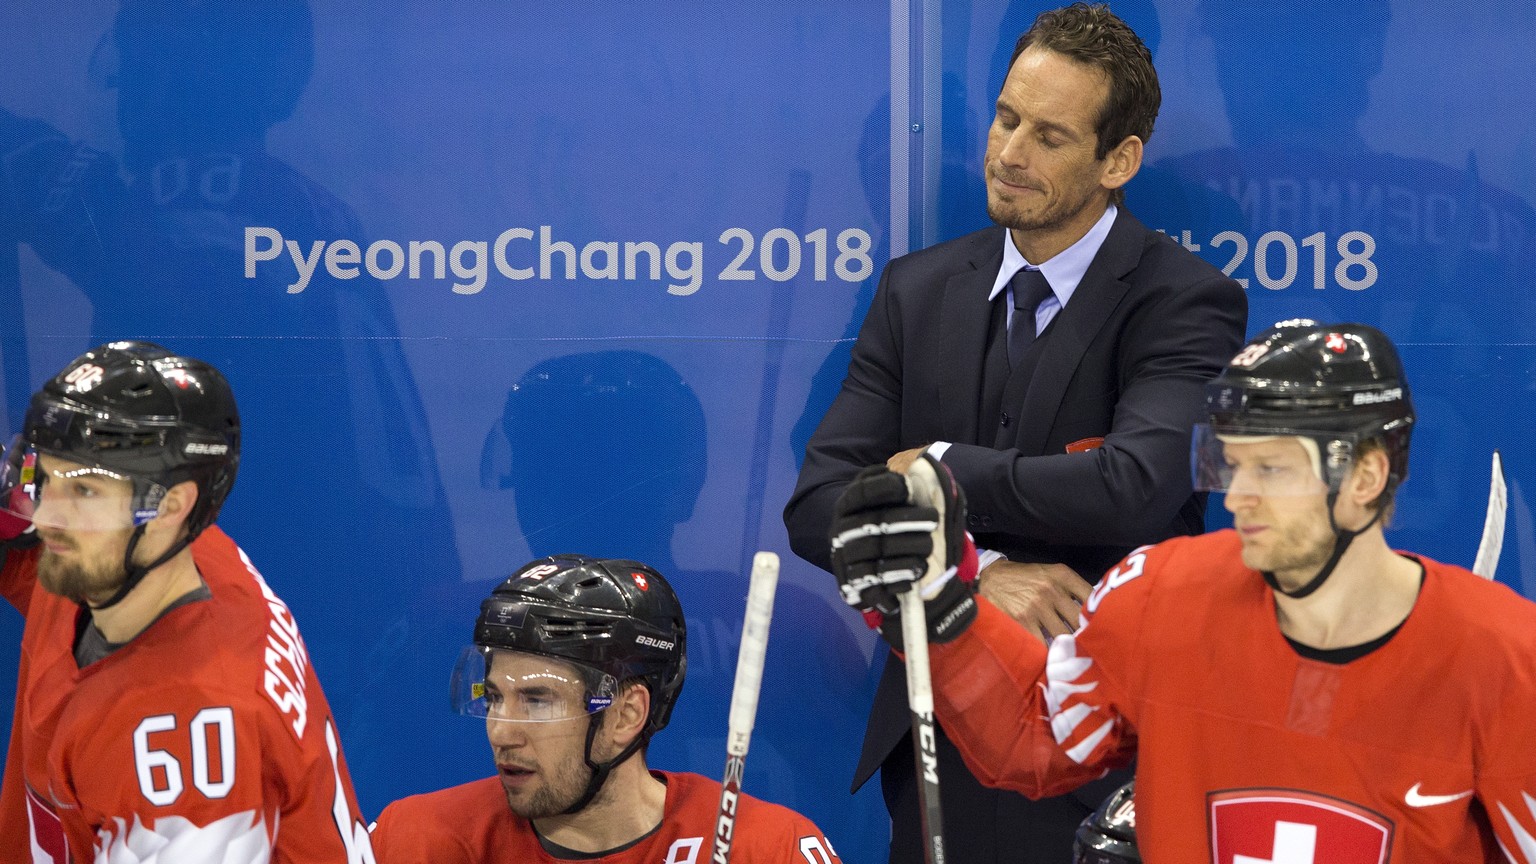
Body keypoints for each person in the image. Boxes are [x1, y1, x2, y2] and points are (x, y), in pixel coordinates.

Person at [782, 3, 1247, 860]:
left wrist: (940, 469)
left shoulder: (1183, 300)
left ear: (1120, 160)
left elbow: (1136, 485)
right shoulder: (913, 292)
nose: (1008, 155)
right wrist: (973, 573)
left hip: (1106, 739)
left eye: (1049, 136)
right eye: (1006, 118)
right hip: (933, 741)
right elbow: (818, 504)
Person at [831, 320, 1536, 860]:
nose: (1240, 499)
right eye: (1229, 464)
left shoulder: (1504, 658)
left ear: (1366, 478)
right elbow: (1035, 735)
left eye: (1275, 470)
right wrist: (942, 615)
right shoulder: (1159, 593)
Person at [0, 341, 373, 860]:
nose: (45, 518)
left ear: (173, 506)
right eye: (48, 479)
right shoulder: (129, 555)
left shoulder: (189, 756)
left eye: (84, 490)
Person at [368, 554, 842, 864]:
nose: (500, 732)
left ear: (627, 715)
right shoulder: (414, 841)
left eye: (536, 701)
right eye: (493, 698)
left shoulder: (768, 849)